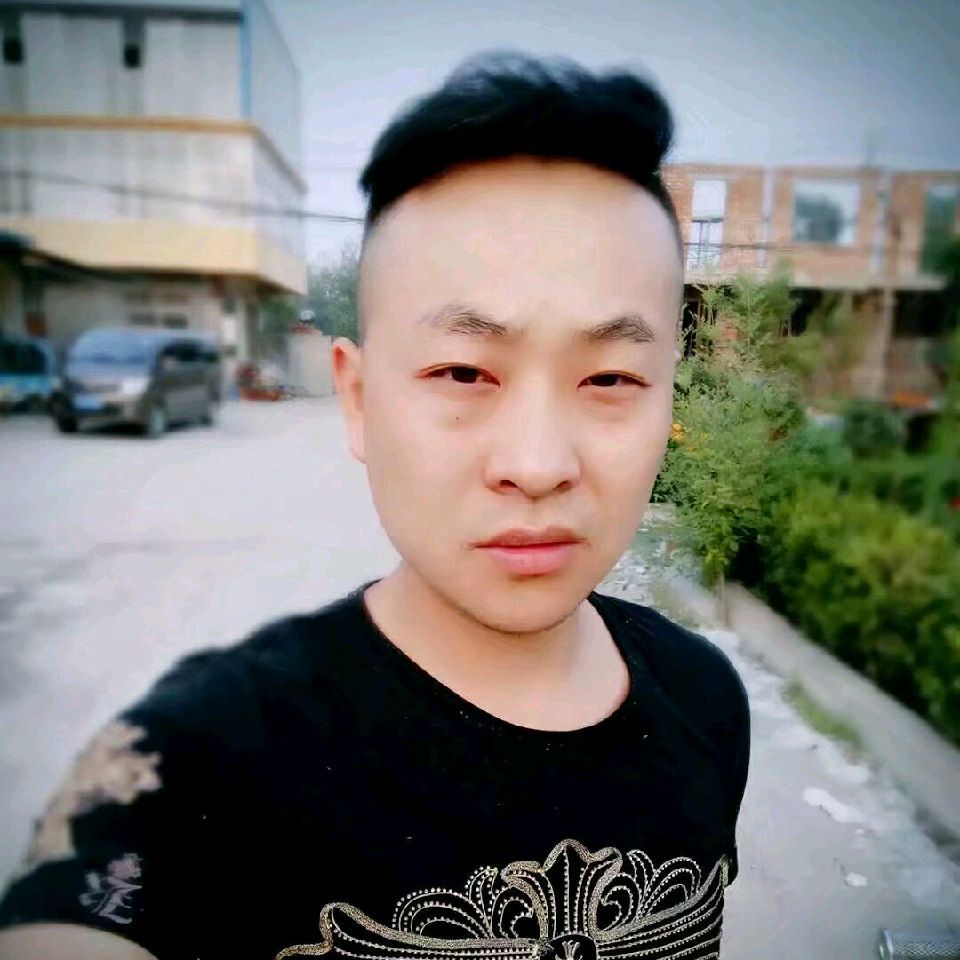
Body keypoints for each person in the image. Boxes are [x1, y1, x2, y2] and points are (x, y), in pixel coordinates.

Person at [0, 51, 750, 960]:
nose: (538, 465)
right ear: (357, 400)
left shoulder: (707, 701)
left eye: (611, 378)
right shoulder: (200, 756)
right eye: (464, 372)